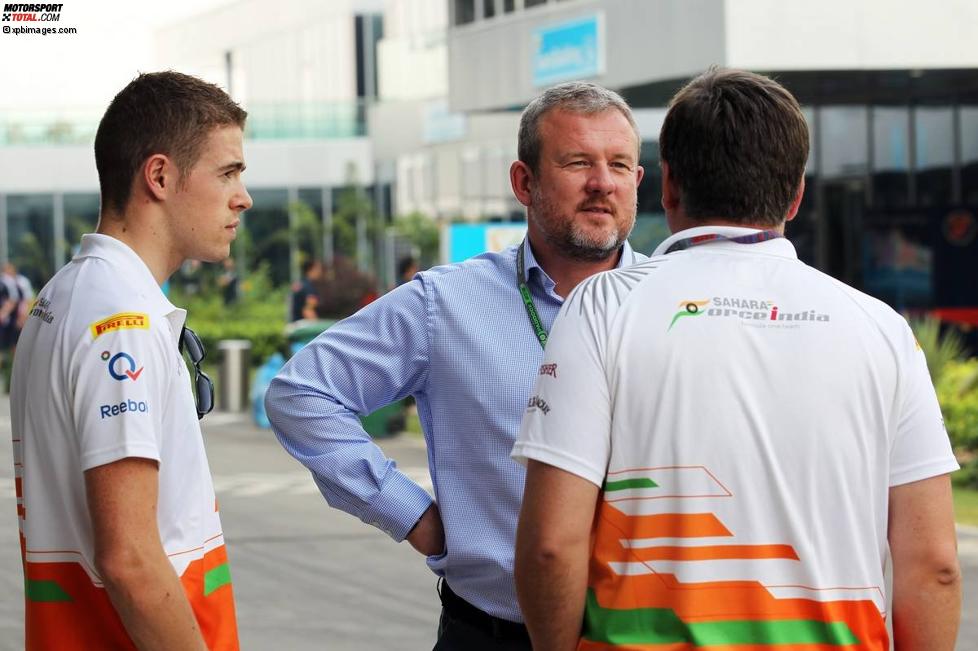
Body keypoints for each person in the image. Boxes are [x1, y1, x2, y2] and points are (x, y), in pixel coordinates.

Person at [513, 68, 961, 651]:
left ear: (667, 186)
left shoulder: (600, 307)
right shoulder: (882, 329)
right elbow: (935, 565)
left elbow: (551, 544)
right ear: (796, 194)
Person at [266, 81, 646, 649]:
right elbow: (301, 394)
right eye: (577, 162)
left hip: (648, 632)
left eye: (619, 164)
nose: (602, 183)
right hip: (492, 633)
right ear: (524, 182)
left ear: (638, 181)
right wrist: (412, 514)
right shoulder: (444, 304)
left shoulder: (677, 305)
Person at [10, 71, 252, 650]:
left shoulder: (64, 295)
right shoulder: (122, 321)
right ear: (160, 176)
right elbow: (129, 560)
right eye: (227, 173)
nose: (242, 196)